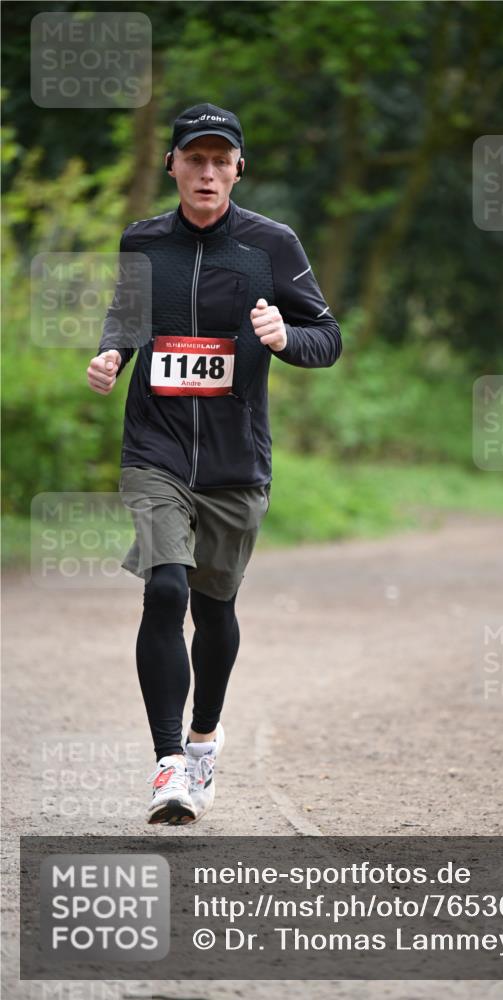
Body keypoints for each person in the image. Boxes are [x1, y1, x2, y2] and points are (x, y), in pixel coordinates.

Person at [87, 102, 342, 825]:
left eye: (218, 159)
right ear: (171, 165)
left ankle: (204, 738)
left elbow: (329, 337)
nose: (205, 171)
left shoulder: (271, 245)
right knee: (164, 590)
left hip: (235, 459)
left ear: (236, 169)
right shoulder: (142, 241)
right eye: (192, 158)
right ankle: (169, 764)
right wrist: (114, 352)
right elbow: (126, 315)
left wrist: (284, 335)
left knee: (213, 606)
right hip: (156, 449)